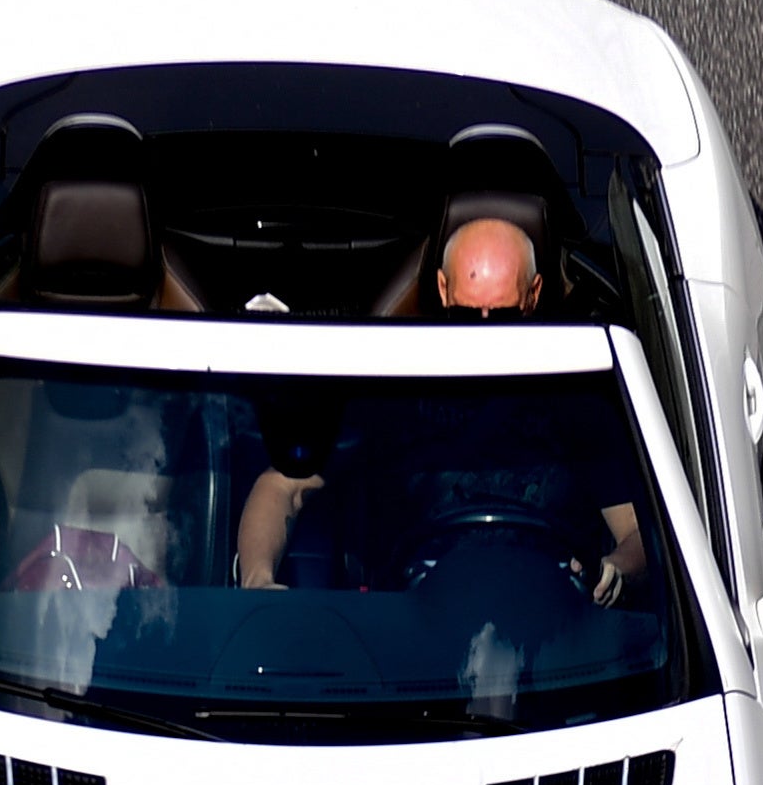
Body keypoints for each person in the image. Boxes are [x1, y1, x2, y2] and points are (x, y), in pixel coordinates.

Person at [232, 219, 650, 604]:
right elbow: (280, 486)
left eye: (501, 315)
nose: (484, 330)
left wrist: (615, 569)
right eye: (468, 313)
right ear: (443, 289)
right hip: (412, 647)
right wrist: (258, 581)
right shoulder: (390, 394)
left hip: (555, 634)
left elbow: (637, 532)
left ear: (534, 294)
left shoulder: (577, 397)